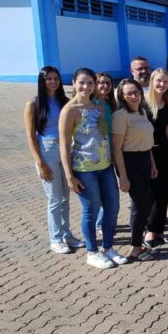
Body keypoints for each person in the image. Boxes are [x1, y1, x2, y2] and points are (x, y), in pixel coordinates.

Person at [59, 68, 125, 268]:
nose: (86, 87)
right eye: (82, 82)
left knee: (112, 207)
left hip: (105, 166)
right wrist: (69, 176)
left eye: (90, 83)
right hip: (84, 169)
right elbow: (63, 144)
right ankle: (92, 252)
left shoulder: (98, 107)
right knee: (91, 210)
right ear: (74, 83)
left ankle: (108, 248)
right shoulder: (70, 110)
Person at [23, 66, 84, 254]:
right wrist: (40, 162)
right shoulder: (33, 104)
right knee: (55, 198)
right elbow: (30, 136)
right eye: (48, 78)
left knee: (66, 197)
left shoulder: (64, 101)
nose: (53, 82)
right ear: (42, 81)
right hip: (47, 152)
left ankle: (67, 235)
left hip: (65, 151)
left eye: (56, 78)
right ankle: (55, 239)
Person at [112, 79, 158, 261]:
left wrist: (153, 164)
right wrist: (123, 176)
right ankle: (135, 248)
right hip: (129, 162)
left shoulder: (143, 112)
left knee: (146, 202)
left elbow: (148, 142)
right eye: (128, 93)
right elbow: (117, 148)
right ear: (122, 96)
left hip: (145, 159)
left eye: (136, 92)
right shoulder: (120, 116)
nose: (133, 96)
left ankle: (138, 243)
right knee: (142, 204)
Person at [143, 69, 168, 250]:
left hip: (166, 154)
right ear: (152, 81)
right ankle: (149, 231)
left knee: (164, 195)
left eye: (165, 81)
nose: (162, 85)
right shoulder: (143, 104)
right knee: (155, 195)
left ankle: (160, 230)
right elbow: (143, 134)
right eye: (158, 81)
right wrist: (151, 161)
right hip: (150, 153)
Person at [93, 72, 117, 236]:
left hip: (109, 152)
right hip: (95, 153)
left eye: (108, 83)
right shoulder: (91, 104)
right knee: (99, 192)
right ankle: (99, 223)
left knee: (108, 191)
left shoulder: (110, 104)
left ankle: (103, 221)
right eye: (101, 82)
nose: (105, 86)